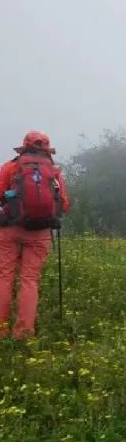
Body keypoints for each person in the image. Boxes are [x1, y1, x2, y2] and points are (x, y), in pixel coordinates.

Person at [0, 131, 71, 340]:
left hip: (10, 229)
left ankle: (1, 330)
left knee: (4, 277)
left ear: (23, 147)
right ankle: (23, 333)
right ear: (47, 151)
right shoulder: (54, 172)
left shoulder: (10, 168)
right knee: (29, 280)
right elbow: (63, 205)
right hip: (40, 233)